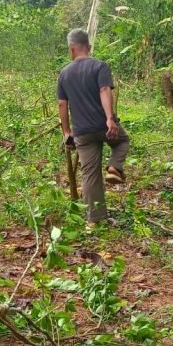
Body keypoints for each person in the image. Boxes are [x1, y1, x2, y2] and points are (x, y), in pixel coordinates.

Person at [56, 28, 130, 225]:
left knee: (90, 175)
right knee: (122, 140)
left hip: (82, 133)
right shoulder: (100, 66)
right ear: (88, 47)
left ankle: (94, 221)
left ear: (71, 49)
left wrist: (66, 133)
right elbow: (104, 89)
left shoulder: (64, 74)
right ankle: (114, 168)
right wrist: (110, 119)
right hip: (103, 126)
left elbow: (62, 104)